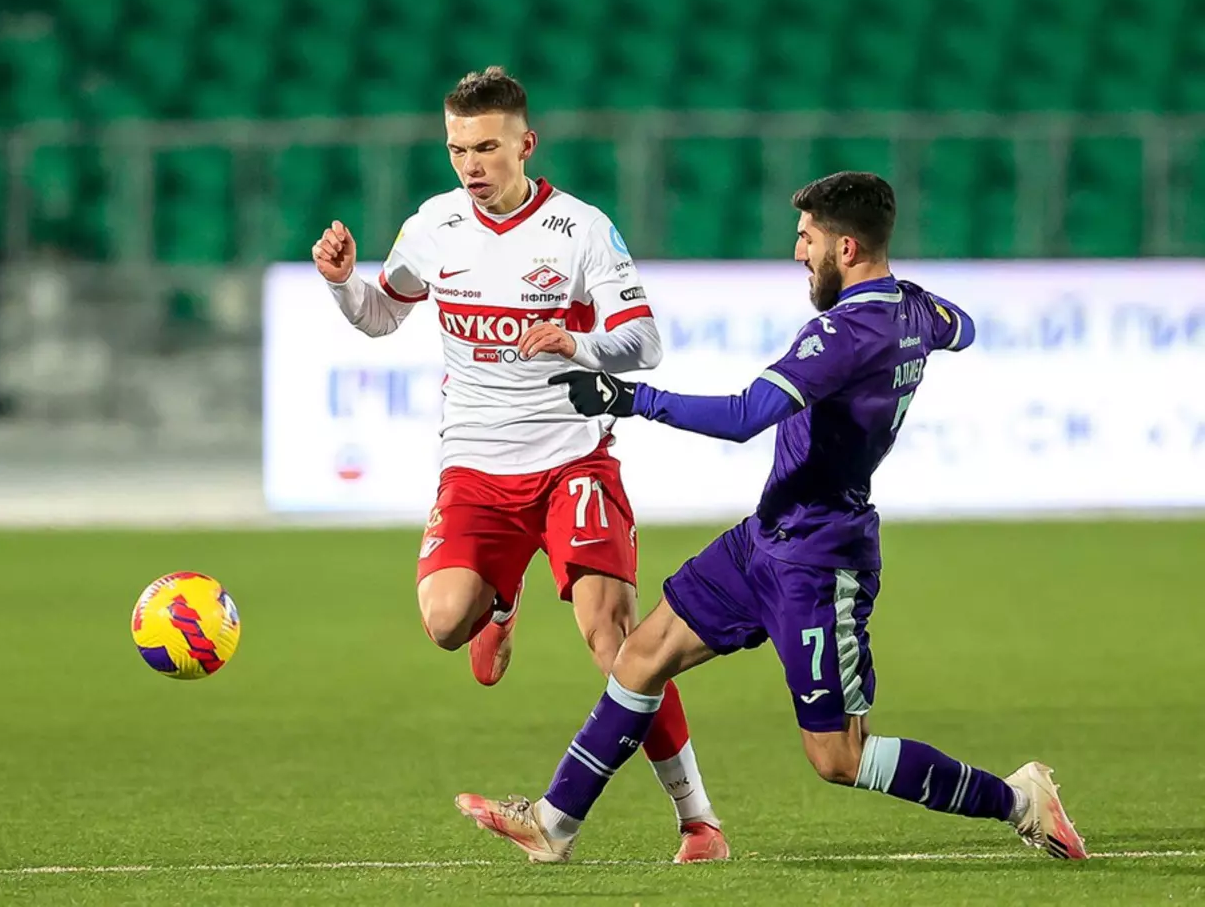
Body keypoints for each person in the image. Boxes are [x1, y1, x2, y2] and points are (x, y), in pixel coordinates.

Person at [454, 171, 1087, 863]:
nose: (797, 252)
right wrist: (915, 320)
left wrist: (629, 399)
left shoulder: (845, 333)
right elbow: (963, 326)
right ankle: (553, 824)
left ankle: (1019, 800)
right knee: (641, 656)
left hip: (820, 559)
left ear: (846, 248)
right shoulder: (912, 308)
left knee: (838, 756)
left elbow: (745, 416)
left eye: (807, 238)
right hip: (766, 537)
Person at [311, 66, 728, 863]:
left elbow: (644, 343)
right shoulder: (433, 226)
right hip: (474, 466)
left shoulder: (581, 230)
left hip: (573, 462)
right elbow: (382, 316)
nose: (470, 164)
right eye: (457, 148)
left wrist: (579, 342)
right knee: (445, 624)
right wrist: (341, 285)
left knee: (617, 642)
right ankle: (500, 602)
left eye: (487, 147)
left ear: (525, 144)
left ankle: (698, 820)